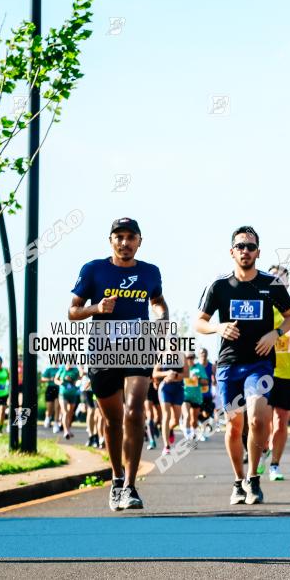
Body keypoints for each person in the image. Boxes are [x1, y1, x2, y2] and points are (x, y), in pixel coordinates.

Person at [69, 217, 169, 511]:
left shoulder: (150, 272)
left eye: (131, 237)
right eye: (119, 237)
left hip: (138, 347)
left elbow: (159, 301)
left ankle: (131, 486)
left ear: (140, 241)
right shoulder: (94, 270)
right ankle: (116, 479)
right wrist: (96, 308)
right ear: (110, 240)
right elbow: (72, 311)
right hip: (101, 350)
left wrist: (161, 317)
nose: (125, 242)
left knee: (135, 411)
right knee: (113, 421)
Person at [195, 226, 290, 506]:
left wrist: (275, 334)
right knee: (234, 424)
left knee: (257, 417)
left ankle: (254, 477)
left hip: (260, 363)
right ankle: (238, 481)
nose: (246, 251)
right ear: (232, 252)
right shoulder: (219, 286)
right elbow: (198, 322)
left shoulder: (271, 283)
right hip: (229, 364)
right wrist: (218, 327)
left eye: (251, 247)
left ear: (258, 253)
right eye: (240, 246)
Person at [257, 265, 290, 481]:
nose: (279, 282)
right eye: (275, 279)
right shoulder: (264, 308)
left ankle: (275, 464)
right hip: (266, 371)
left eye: (283, 279)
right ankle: (262, 451)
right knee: (263, 421)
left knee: (282, 421)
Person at [154, 361, 185, 455]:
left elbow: (186, 374)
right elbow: (155, 373)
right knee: (166, 415)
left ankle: (169, 429)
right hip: (165, 388)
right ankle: (166, 446)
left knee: (176, 420)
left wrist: (175, 375)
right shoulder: (162, 356)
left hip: (178, 388)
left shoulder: (182, 356)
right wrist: (167, 373)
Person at [182, 352, 207, 441]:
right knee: (187, 415)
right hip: (184, 396)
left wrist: (199, 378)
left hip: (196, 397)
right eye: (188, 357)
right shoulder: (182, 368)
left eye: (192, 357)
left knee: (194, 420)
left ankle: (193, 435)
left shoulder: (199, 367)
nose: (190, 359)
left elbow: (206, 382)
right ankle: (187, 437)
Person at [56, 363, 82, 440]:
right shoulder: (62, 369)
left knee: (70, 413)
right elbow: (55, 379)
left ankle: (68, 428)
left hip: (73, 394)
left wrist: (73, 380)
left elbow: (80, 377)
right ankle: (66, 431)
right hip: (63, 394)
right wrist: (60, 382)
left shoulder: (75, 370)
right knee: (65, 412)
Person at [196, 348, 216, 431]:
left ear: (207, 354)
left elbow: (215, 379)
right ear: (199, 355)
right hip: (197, 395)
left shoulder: (211, 366)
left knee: (206, 413)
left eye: (205, 353)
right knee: (197, 413)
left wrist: (214, 380)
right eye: (201, 353)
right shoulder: (195, 366)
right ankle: (202, 426)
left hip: (207, 394)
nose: (203, 354)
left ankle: (204, 424)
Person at [41, 364, 61, 431]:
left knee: (57, 407)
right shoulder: (49, 369)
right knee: (49, 408)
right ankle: (48, 417)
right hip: (50, 388)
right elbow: (42, 379)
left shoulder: (61, 369)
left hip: (59, 389)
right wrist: (50, 379)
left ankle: (56, 424)